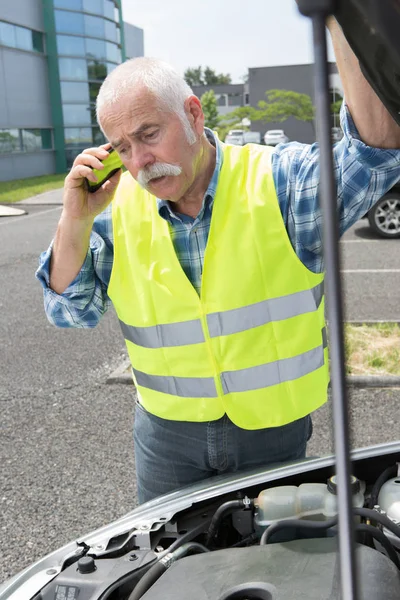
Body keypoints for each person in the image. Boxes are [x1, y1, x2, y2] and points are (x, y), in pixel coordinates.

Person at [37, 19, 400, 504]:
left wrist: (342, 17)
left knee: (281, 564)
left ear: (193, 114)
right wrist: (74, 221)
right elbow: (68, 311)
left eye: (149, 134)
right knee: (166, 573)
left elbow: (375, 153)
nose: (140, 162)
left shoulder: (277, 181)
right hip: (168, 440)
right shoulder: (111, 208)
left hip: (272, 432)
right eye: (122, 147)